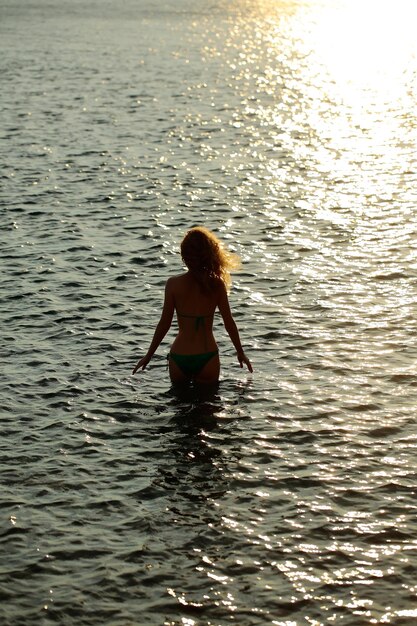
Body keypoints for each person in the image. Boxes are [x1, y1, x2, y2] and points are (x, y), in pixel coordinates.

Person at [132, 226, 253, 384]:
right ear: (208, 254)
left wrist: (148, 355)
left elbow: (164, 324)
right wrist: (240, 352)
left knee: (179, 406)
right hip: (207, 355)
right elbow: (228, 322)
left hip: (179, 356)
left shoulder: (173, 284)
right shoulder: (216, 285)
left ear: (184, 256)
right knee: (209, 405)